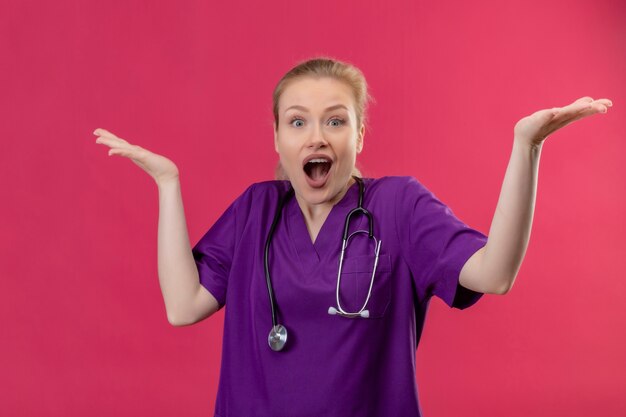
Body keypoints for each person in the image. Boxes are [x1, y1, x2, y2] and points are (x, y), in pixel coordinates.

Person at [93, 57, 612, 417]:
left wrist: (527, 147)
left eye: (335, 120)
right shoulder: (255, 210)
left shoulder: (400, 206)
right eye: (298, 122)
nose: (316, 135)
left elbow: (494, 274)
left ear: (359, 134)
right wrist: (168, 184)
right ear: (277, 136)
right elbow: (183, 306)